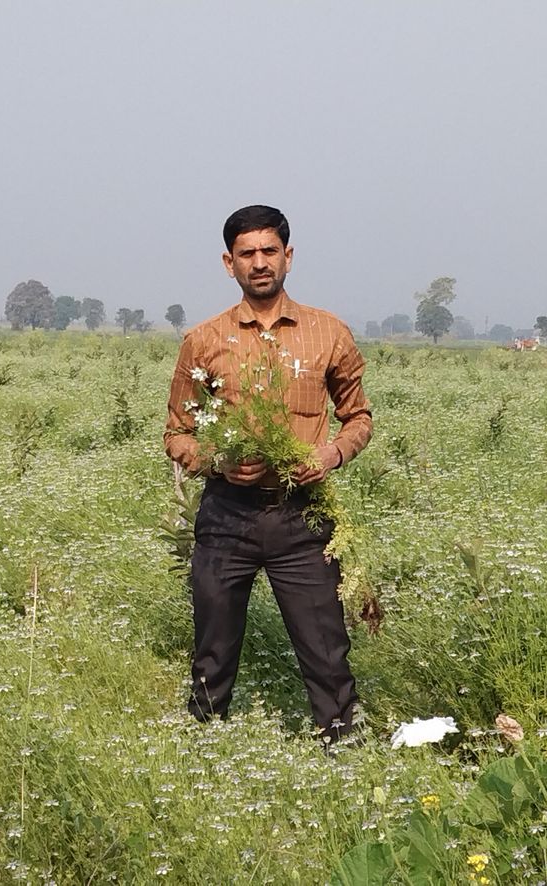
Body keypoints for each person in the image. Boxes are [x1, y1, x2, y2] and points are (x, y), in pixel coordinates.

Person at [164, 205, 373, 745]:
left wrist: (330, 455)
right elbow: (177, 434)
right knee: (213, 646)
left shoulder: (328, 332)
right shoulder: (204, 340)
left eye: (269, 251)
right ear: (228, 262)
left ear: (289, 256)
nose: (260, 263)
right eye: (247, 254)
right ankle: (204, 751)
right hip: (226, 516)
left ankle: (342, 748)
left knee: (326, 647)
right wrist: (219, 462)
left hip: (302, 518)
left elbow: (359, 417)